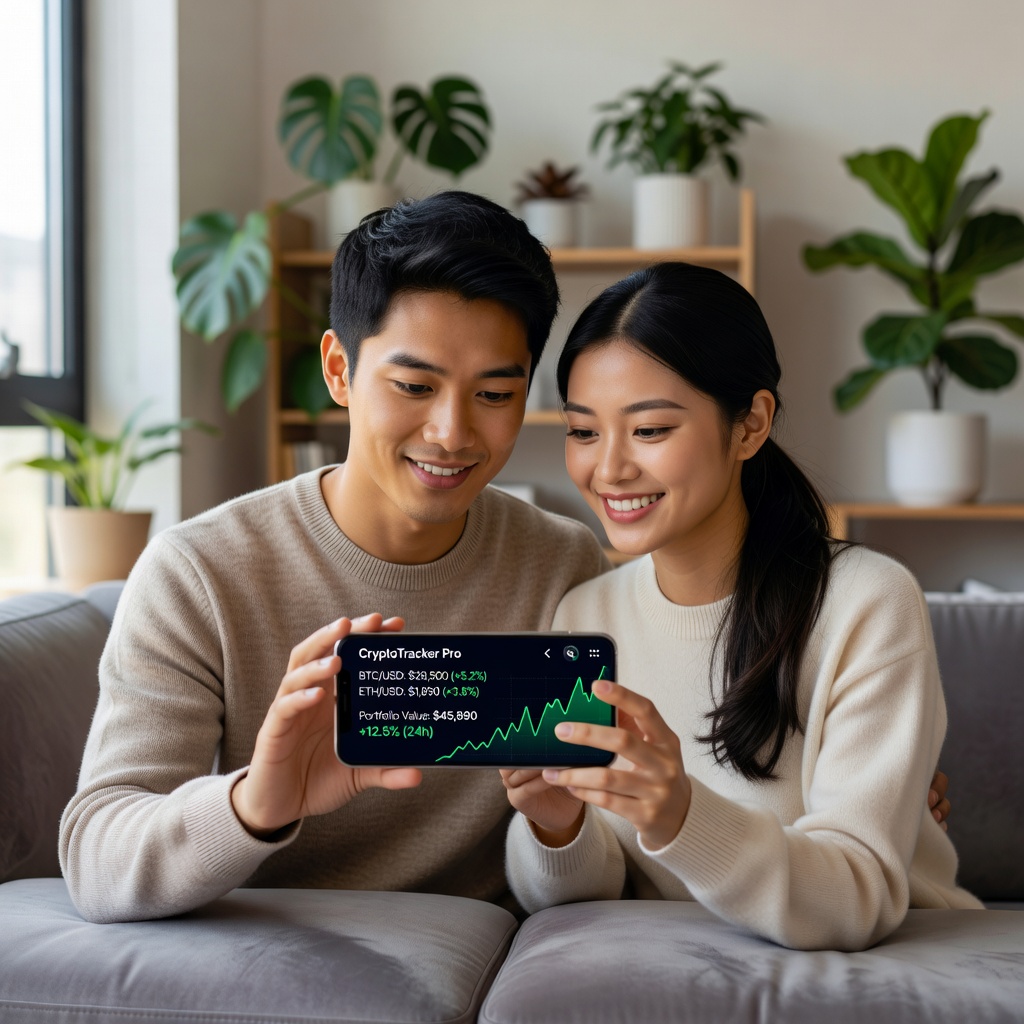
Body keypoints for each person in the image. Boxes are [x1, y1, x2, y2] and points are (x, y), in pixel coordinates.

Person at [59, 191, 608, 922]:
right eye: (414, 386)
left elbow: (595, 883)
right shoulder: (199, 571)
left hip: (484, 957)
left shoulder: (562, 563)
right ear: (339, 370)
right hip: (268, 967)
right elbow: (96, 858)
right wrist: (257, 800)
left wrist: (559, 822)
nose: (452, 432)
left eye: (495, 393)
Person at [501, 262, 980, 951]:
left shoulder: (866, 603)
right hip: (673, 966)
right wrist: (556, 825)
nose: (607, 470)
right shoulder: (586, 614)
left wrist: (682, 815)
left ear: (750, 425)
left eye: (651, 430)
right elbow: (583, 898)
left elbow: (855, 898)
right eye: (583, 431)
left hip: (895, 967)